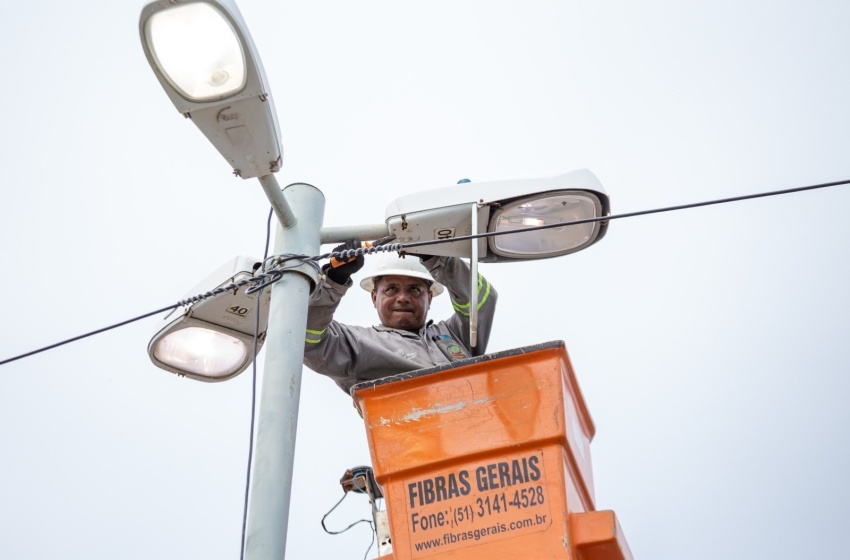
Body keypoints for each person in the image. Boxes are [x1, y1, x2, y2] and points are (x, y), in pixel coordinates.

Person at [303, 242, 497, 394]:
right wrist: (334, 280)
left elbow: (482, 299)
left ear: (429, 297)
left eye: (414, 289)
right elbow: (305, 339)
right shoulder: (358, 343)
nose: (403, 298)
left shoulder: (454, 334)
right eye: (391, 289)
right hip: (411, 441)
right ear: (374, 297)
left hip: (477, 436)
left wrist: (435, 256)